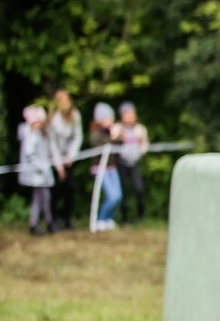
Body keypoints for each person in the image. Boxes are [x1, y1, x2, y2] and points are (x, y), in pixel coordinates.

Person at [17, 104, 60, 235]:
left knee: (43, 198)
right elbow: (30, 155)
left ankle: (45, 222)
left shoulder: (41, 134)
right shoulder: (32, 135)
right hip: (37, 174)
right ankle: (38, 223)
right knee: (41, 198)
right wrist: (41, 167)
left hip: (42, 173)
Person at [46, 90, 84, 230]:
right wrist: (58, 165)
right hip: (54, 159)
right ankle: (53, 219)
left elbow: (77, 137)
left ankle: (67, 218)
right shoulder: (52, 118)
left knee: (69, 190)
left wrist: (71, 156)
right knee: (53, 191)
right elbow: (52, 143)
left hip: (68, 159)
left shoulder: (75, 115)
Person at [86, 102, 122, 232]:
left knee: (118, 195)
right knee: (112, 196)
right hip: (100, 169)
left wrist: (117, 136)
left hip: (112, 168)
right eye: (109, 118)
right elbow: (104, 147)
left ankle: (108, 219)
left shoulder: (108, 132)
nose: (112, 120)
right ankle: (100, 219)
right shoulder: (95, 134)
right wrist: (113, 136)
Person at [115, 101, 149, 224]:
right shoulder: (118, 128)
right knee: (123, 191)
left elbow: (144, 145)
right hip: (121, 163)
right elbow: (112, 142)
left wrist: (140, 153)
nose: (129, 117)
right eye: (127, 114)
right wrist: (119, 138)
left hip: (134, 163)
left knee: (139, 189)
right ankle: (125, 218)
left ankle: (140, 216)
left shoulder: (140, 129)